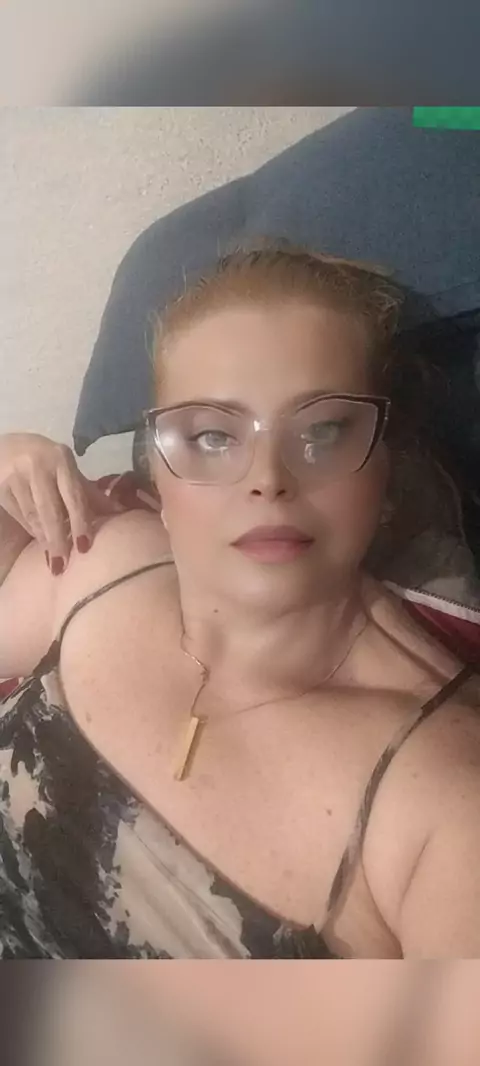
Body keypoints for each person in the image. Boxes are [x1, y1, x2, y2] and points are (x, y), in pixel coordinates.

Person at [0, 244, 479, 959]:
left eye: (322, 430)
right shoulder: (99, 563)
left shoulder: (443, 801)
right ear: (157, 474)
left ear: (388, 468)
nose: (267, 478)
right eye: (212, 435)